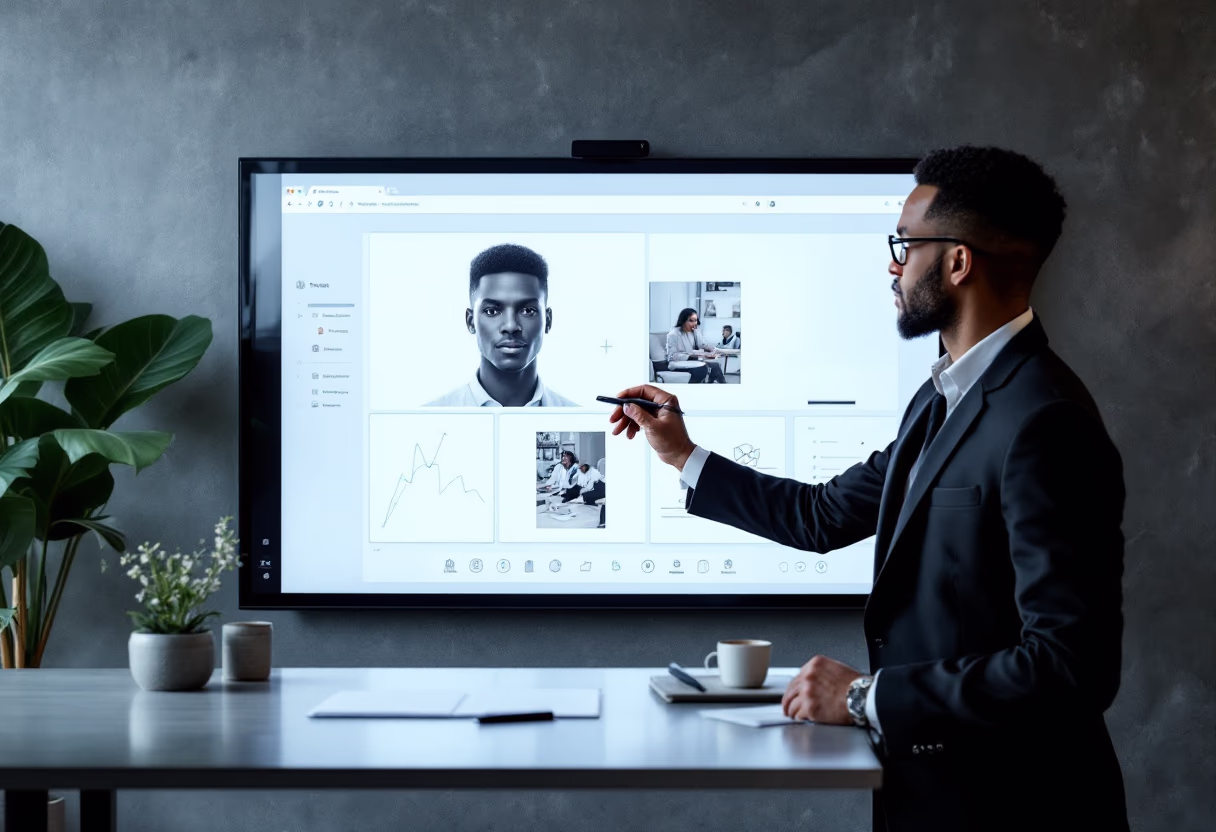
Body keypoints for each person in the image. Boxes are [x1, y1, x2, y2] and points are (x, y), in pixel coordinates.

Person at [608, 146, 1128, 832]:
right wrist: (680, 453)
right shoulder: (940, 398)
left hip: (1015, 808)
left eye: (904, 245)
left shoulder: (1045, 420)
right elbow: (822, 515)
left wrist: (864, 697)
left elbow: (1070, 668)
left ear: (957, 261)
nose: (892, 264)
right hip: (932, 795)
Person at [427, 243, 578, 406]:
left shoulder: (582, 421)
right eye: (492, 311)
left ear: (548, 320)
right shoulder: (427, 421)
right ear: (470, 322)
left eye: (528, 311)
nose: (511, 326)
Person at [665, 308, 726, 384]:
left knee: (715, 366)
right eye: (691, 320)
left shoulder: (693, 332)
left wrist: (713, 350)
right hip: (678, 364)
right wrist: (693, 356)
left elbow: (702, 344)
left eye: (695, 320)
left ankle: (724, 388)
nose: (694, 323)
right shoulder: (673, 334)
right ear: (683, 321)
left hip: (691, 361)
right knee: (702, 369)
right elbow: (672, 356)